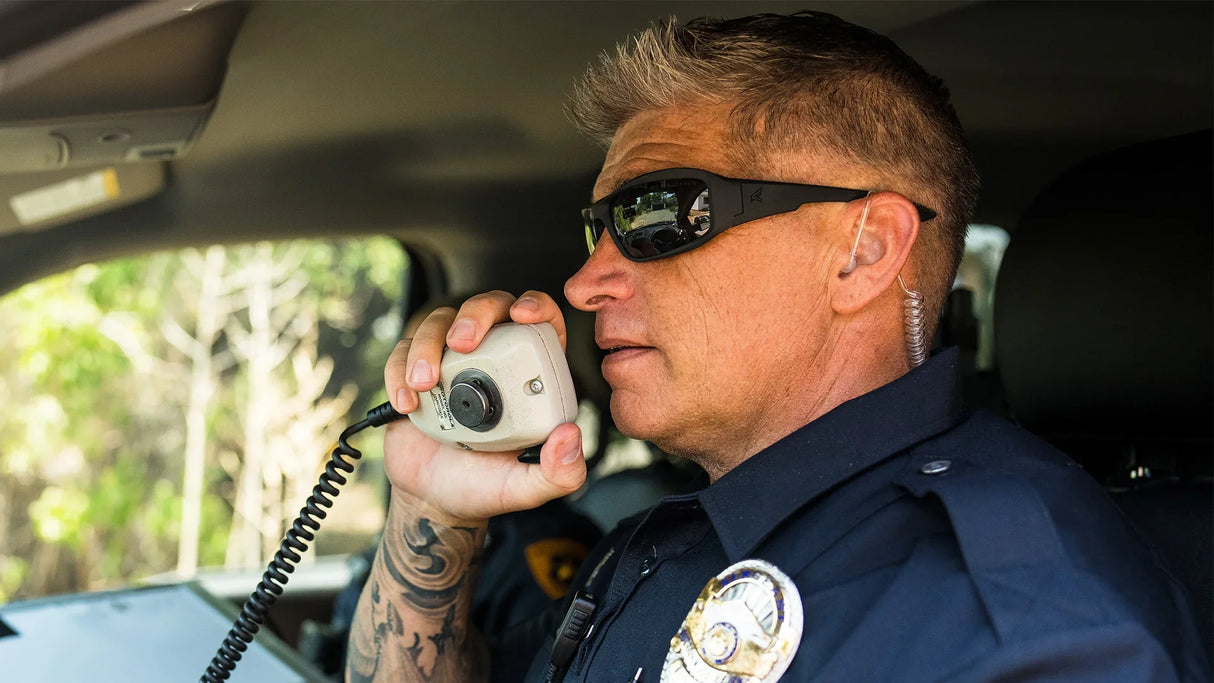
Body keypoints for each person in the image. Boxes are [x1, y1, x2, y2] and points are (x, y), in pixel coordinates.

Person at [346, 11, 1207, 683]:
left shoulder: (1024, 624)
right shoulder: (663, 539)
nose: (583, 283)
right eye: (597, 229)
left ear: (864, 252)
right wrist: (432, 512)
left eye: (657, 215)